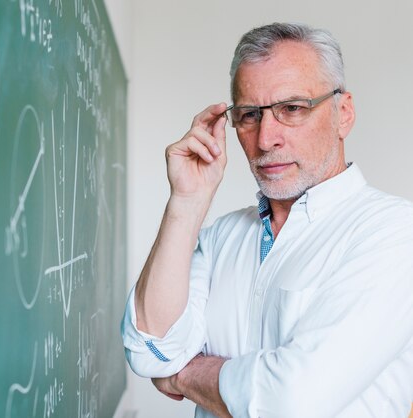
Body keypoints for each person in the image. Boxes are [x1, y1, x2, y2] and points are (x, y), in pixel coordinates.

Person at [121, 22, 413, 418]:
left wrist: (185, 376)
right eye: (250, 114)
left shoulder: (394, 232)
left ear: (343, 114)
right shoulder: (224, 236)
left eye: (292, 109)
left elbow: (291, 400)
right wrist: (187, 202)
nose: (265, 138)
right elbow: (149, 349)